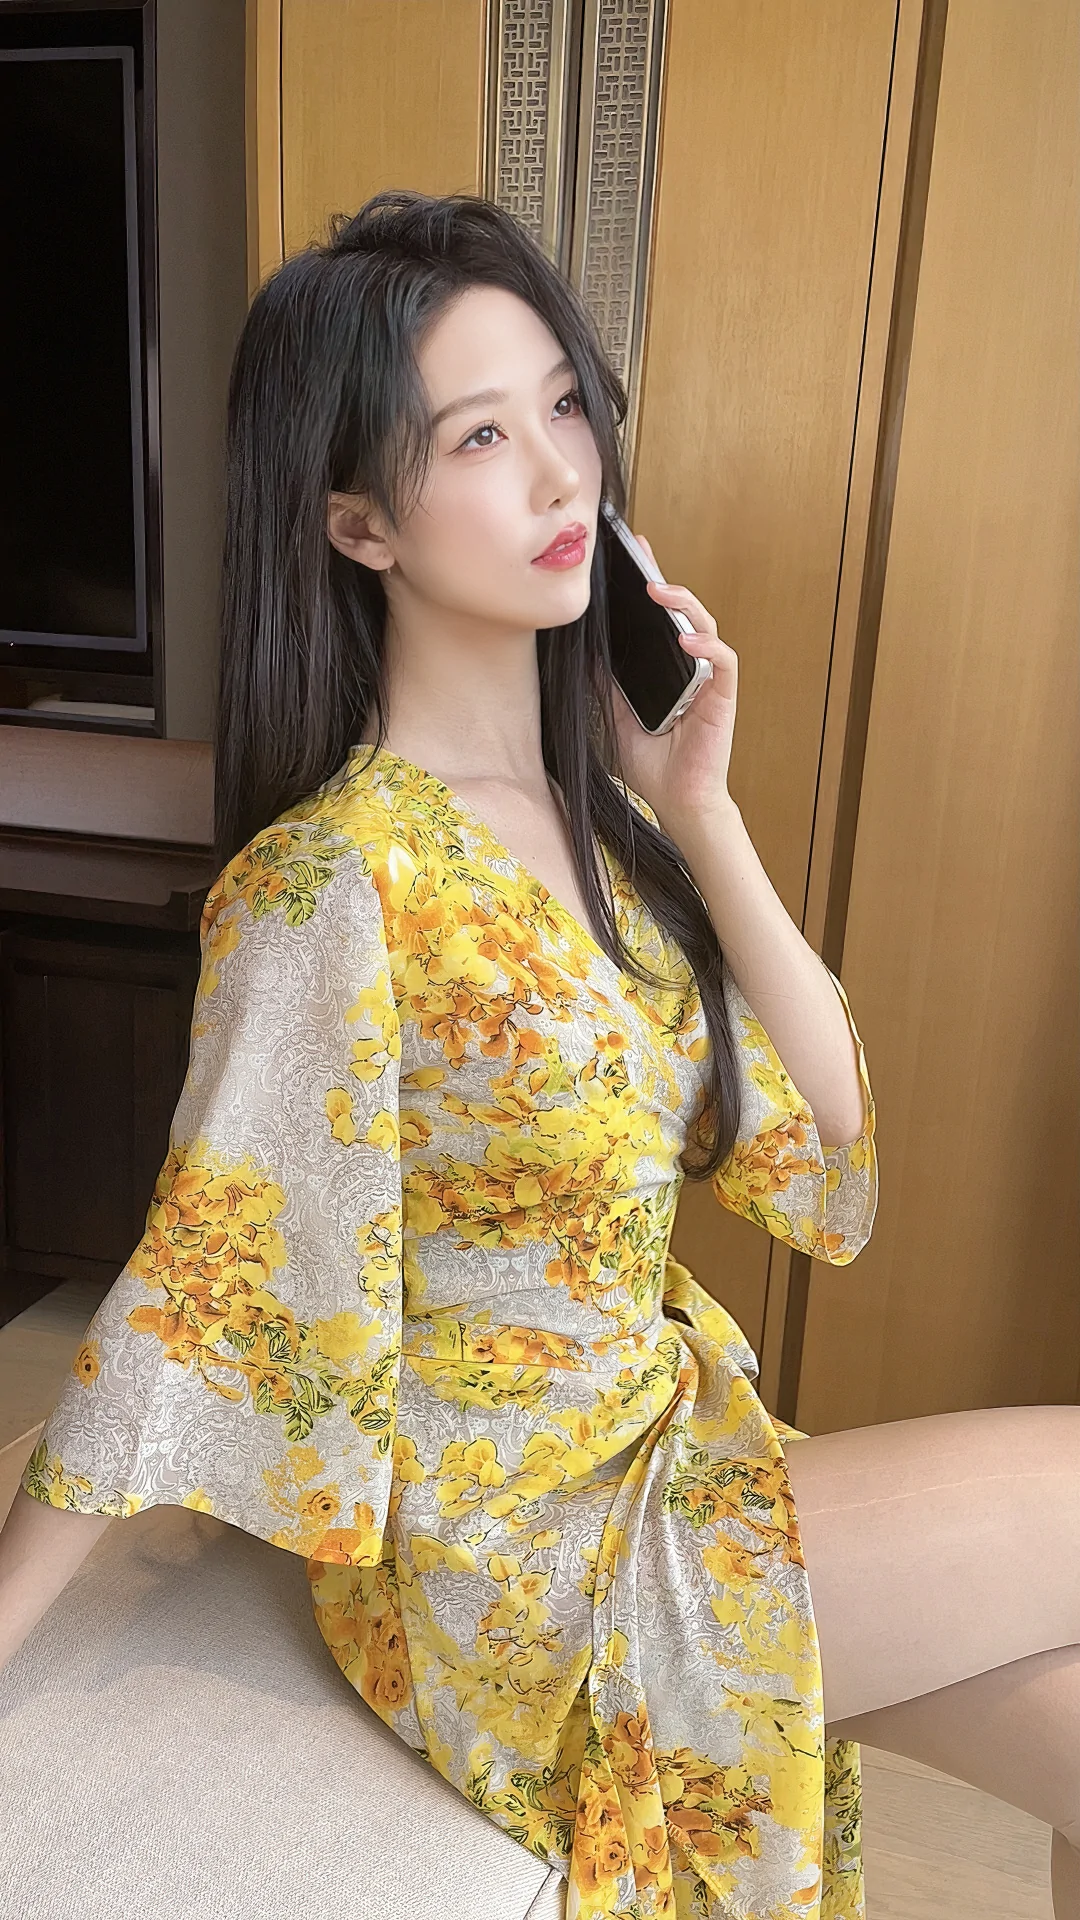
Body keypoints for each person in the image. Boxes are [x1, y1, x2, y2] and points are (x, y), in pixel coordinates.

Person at [0, 189, 1076, 1920]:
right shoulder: (336, 878)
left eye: (565, 405)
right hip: (514, 1560)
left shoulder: (609, 835)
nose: (563, 474)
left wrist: (701, 808)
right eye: (483, 436)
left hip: (661, 1445)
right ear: (358, 521)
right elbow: (199, 1279)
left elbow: (829, 1136)